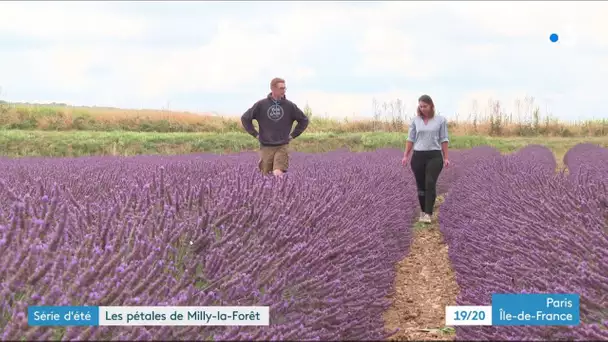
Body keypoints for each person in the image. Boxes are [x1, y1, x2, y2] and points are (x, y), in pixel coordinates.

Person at [241, 77, 309, 176]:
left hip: (282, 145)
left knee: (278, 173)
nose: (284, 90)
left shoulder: (289, 106)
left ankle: (282, 191)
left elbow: (304, 120)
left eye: (285, 88)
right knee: (266, 176)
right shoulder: (261, 105)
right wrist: (255, 134)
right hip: (266, 146)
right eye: (281, 88)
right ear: (273, 89)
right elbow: (245, 118)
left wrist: (293, 135)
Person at [402, 94, 450, 224]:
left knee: (430, 182)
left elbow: (444, 139)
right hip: (418, 155)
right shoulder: (415, 121)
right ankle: (423, 211)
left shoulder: (440, 120)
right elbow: (410, 139)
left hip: (434, 156)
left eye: (425, 106)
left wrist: (446, 157)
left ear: (431, 106)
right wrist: (406, 155)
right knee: (421, 185)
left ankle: (428, 213)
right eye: (420, 106)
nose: (422, 108)